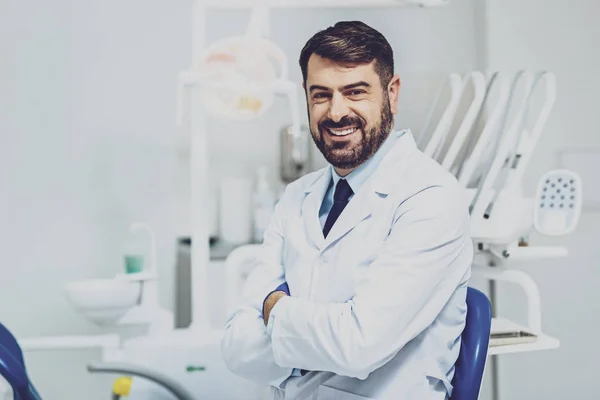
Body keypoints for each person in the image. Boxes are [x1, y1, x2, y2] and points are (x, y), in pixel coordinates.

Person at [221, 20, 473, 400]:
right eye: (320, 94)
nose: (337, 112)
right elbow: (237, 347)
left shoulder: (430, 198)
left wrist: (274, 309)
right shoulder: (296, 197)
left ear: (392, 93)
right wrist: (322, 338)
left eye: (355, 91)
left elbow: (358, 347)